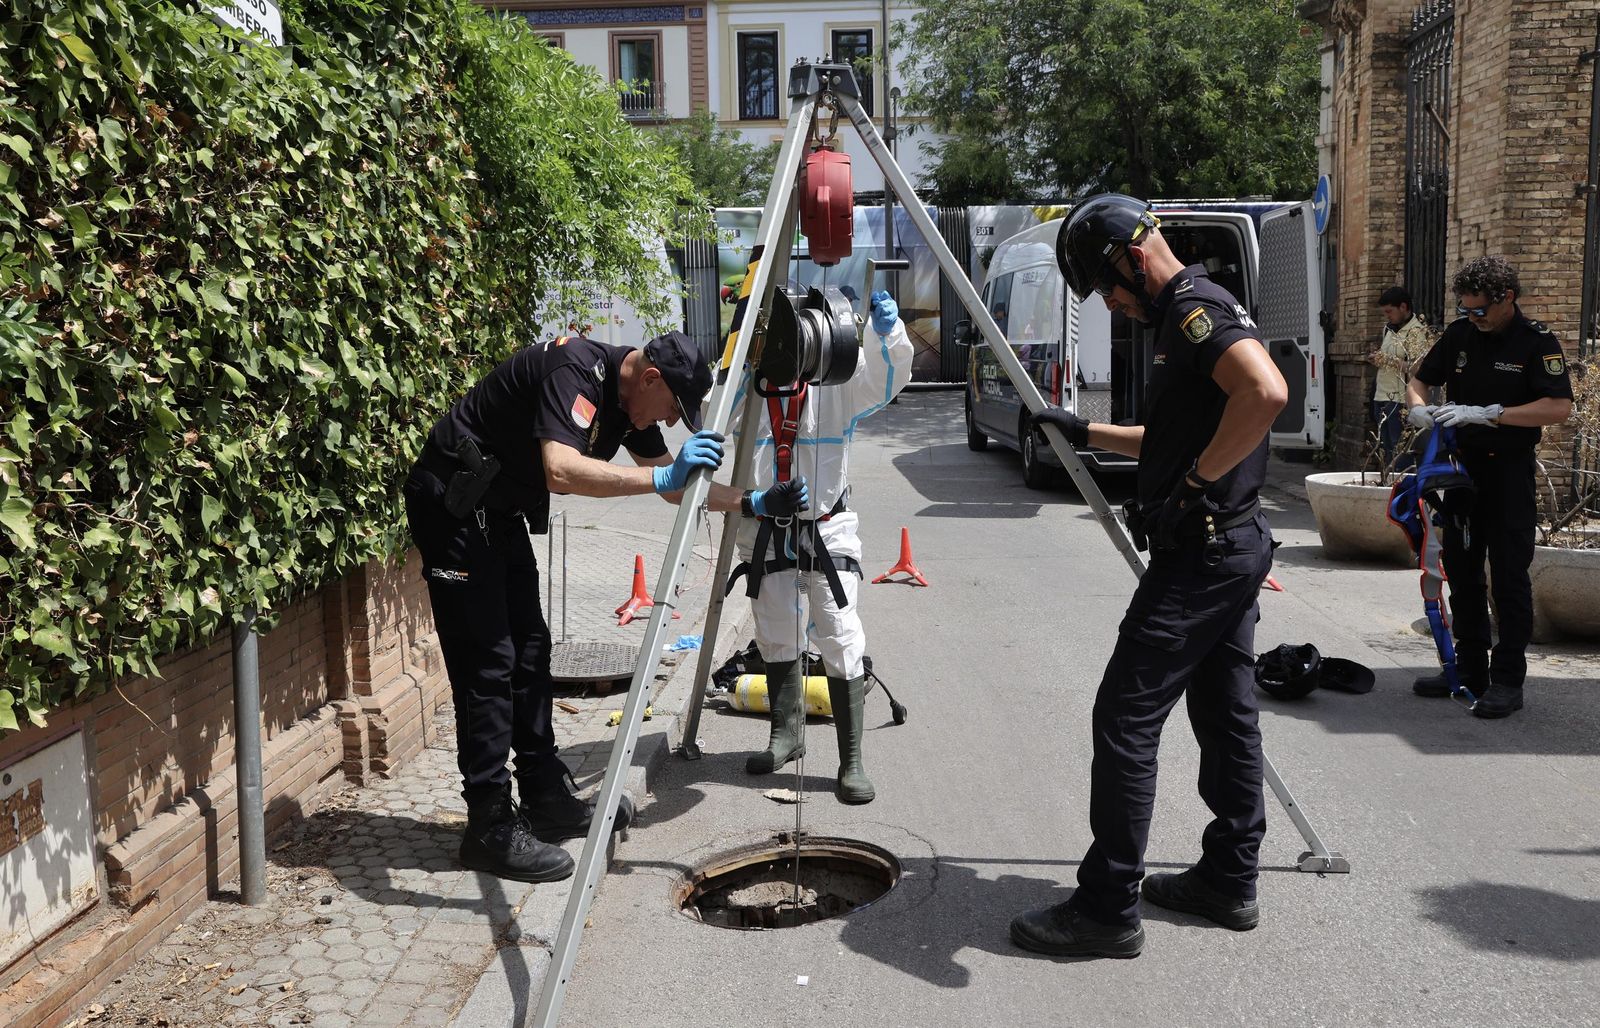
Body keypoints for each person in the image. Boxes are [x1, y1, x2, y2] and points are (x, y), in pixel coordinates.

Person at [404, 329, 808, 882]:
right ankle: (488, 825)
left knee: (530, 650)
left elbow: (674, 484)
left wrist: (751, 501)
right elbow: (561, 469)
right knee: (489, 663)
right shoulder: (575, 370)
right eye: (672, 408)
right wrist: (662, 475)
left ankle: (544, 795)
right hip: (451, 504)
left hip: (494, 508)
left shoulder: (628, 404)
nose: (668, 422)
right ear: (649, 378)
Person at [1012, 194, 1287, 958]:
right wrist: (1085, 432)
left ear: (1132, 259)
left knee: (1124, 717)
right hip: (1231, 547)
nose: (1112, 306)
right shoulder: (1186, 316)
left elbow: (1265, 394)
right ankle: (1229, 880)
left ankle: (1106, 909)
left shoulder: (1196, 310)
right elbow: (1179, 437)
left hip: (1203, 554)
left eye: (1108, 289)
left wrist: (1194, 490)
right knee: (1226, 713)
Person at [728, 290, 912, 804]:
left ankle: (850, 760)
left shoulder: (837, 387)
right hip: (767, 523)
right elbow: (711, 417)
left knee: (839, 632)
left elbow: (889, 380)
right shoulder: (752, 386)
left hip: (827, 528)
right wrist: (739, 358)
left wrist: (887, 335)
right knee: (775, 632)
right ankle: (785, 737)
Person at [1405, 256, 1572, 719]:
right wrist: (1418, 408)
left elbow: (1558, 408)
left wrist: (1491, 413)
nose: (1473, 318)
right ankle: (1468, 668)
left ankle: (1507, 681)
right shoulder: (1460, 335)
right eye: (1466, 310)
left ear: (1507, 300)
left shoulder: (1536, 342)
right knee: (1462, 571)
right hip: (1460, 472)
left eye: (1480, 311)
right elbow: (1420, 379)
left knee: (1509, 577)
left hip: (1508, 472)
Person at [1368, 286, 1429, 469]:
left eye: (1389, 311)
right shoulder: (1389, 329)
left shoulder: (1416, 332)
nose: (1387, 316)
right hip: (1381, 396)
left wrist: (1389, 360)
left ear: (1403, 307)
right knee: (1385, 449)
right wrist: (1377, 359)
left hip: (1400, 400)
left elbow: (1417, 370)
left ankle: (1401, 490)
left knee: (1400, 451)